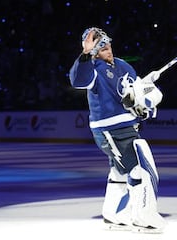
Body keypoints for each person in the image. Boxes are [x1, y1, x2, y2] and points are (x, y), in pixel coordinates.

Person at [69, 27, 166, 233]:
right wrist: (85, 54)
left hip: (126, 127)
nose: (108, 49)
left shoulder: (124, 66)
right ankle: (143, 217)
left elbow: (136, 98)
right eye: (102, 46)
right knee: (139, 167)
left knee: (120, 171)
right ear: (94, 51)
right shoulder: (93, 69)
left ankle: (114, 214)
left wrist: (143, 101)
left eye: (108, 44)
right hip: (110, 130)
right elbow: (77, 80)